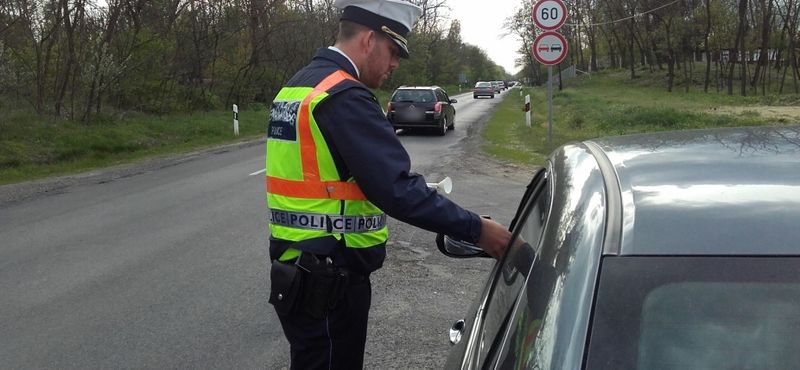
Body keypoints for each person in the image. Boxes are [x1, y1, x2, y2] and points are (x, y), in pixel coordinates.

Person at [265, 0, 514, 368]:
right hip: (329, 279)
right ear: (369, 40)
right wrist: (479, 230)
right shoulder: (345, 96)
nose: (395, 64)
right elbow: (397, 190)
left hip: (296, 270)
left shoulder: (299, 86)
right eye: (393, 51)